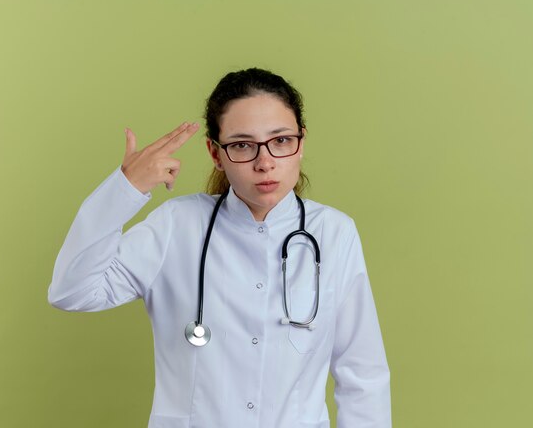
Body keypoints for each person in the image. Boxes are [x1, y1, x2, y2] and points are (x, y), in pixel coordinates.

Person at [48, 67, 391, 428]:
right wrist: (125, 190)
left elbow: (362, 376)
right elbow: (72, 292)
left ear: (300, 143)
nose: (265, 162)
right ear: (215, 152)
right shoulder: (177, 226)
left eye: (281, 140)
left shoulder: (334, 233)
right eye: (243, 145)